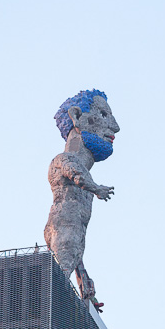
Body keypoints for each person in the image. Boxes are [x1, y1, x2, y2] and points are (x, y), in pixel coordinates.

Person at [44, 89, 120, 311]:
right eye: (103, 115)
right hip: (63, 229)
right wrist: (96, 189)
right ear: (76, 117)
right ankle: (50, 304)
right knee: (62, 266)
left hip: (71, 233)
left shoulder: (84, 174)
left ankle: (85, 292)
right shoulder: (63, 159)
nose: (114, 126)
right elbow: (74, 171)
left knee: (74, 254)